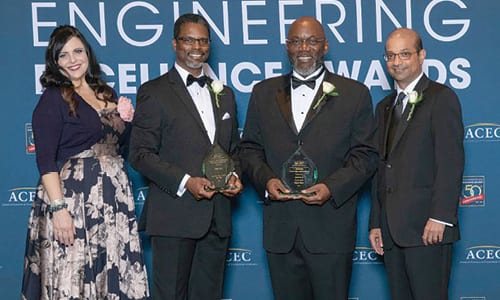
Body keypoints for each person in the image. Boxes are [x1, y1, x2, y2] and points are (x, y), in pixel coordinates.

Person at [239, 16, 378, 300]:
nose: (304, 47)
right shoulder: (263, 92)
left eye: (312, 41)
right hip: (281, 232)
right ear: (287, 46)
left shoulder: (354, 94)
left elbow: (366, 155)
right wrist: (266, 181)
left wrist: (331, 187)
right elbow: (249, 149)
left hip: (331, 230)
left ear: (325, 46)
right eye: (297, 41)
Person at [21, 25, 149, 299]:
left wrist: (126, 120)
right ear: (55, 63)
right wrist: (59, 210)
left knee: (111, 276)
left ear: (87, 53)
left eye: (77, 51)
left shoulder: (107, 93)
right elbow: (46, 160)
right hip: (74, 200)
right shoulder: (53, 98)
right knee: (73, 275)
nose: (73, 59)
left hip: (113, 201)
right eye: (63, 55)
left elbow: (119, 150)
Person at [128, 13, 242, 300]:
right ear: (174, 43)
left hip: (217, 217)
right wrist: (187, 181)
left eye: (203, 40)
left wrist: (235, 176)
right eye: (189, 39)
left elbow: (234, 150)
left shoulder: (225, 94)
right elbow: (140, 154)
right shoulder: (154, 92)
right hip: (174, 216)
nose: (197, 46)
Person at [369, 28, 464, 300]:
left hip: (427, 228)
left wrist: (441, 217)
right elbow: (380, 168)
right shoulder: (384, 107)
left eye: (404, 54)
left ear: (421, 56)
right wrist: (376, 222)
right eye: (390, 56)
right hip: (391, 231)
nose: (396, 62)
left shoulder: (441, 98)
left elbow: (450, 162)